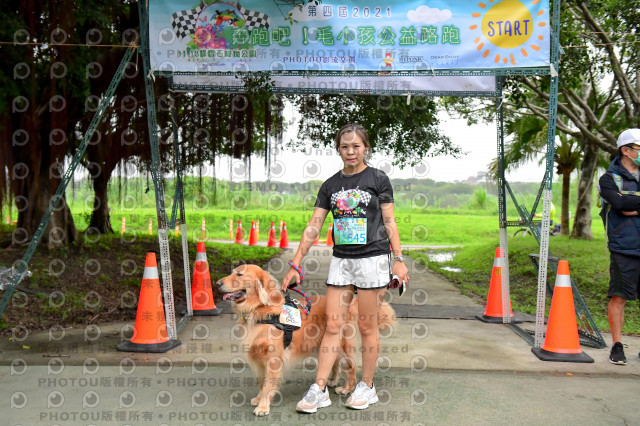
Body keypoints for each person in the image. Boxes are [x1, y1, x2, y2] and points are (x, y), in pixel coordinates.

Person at [281, 123, 409, 412]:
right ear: (338, 150)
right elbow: (314, 225)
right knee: (332, 326)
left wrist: (399, 259)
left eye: (356, 146)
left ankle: (367, 385)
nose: (351, 151)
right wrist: (295, 264)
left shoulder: (378, 179)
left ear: (366, 148)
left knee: (366, 326)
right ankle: (319, 388)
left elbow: (389, 221)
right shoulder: (330, 185)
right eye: (344, 147)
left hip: (373, 260)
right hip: (341, 262)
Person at [598, 128, 640, 365]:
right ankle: (616, 345)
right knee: (619, 297)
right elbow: (620, 204)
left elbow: (626, 204)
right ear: (626, 150)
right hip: (624, 247)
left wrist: (632, 206)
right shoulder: (608, 179)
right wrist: (626, 205)